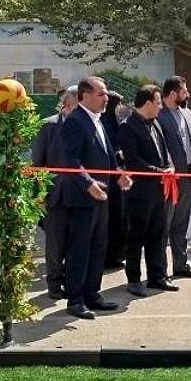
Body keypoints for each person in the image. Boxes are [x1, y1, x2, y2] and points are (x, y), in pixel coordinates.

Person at [60, 76, 133, 318]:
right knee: (80, 249)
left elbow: (107, 154)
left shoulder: (97, 119)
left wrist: (119, 175)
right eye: (101, 94)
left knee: (98, 247)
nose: (106, 98)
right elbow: (70, 160)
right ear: (85, 96)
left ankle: (92, 294)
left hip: (102, 197)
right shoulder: (75, 121)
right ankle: (75, 299)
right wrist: (88, 183)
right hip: (82, 199)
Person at [118, 85, 179, 297]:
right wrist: (160, 172)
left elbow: (165, 152)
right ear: (147, 103)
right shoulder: (128, 126)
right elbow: (133, 161)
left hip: (159, 190)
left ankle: (157, 276)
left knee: (157, 234)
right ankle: (134, 279)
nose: (161, 106)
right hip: (140, 192)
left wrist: (169, 167)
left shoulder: (156, 124)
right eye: (158, 102)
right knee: (136, 236)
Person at [33, 85, 79, 299]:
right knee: (55, 242)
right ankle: (54, 283)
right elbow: (37, 164)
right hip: (55, 194)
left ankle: (71, 282)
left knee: (75, 243)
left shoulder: (85, 126)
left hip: (80, 195)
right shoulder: (49, 126)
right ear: (68, 104)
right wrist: (39, 195)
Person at [158, 76, 191, 278]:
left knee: (181, 223)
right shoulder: (158, 115)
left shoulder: (187, 113)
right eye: (184, 91)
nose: (188, 94)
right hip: (168, 180)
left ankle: (181, 264)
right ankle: (159, 271)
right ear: (172, 94)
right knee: (164, 225)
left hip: (187, 176)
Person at [102, 91, 128, 271]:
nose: (120, 108)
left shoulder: (116, 122)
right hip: (110, 179)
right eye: (118, 104)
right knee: (112, 217)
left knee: (120, 217)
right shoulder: (104, 123)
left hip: (119, 176)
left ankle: (117, 254)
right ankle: (109, 255)